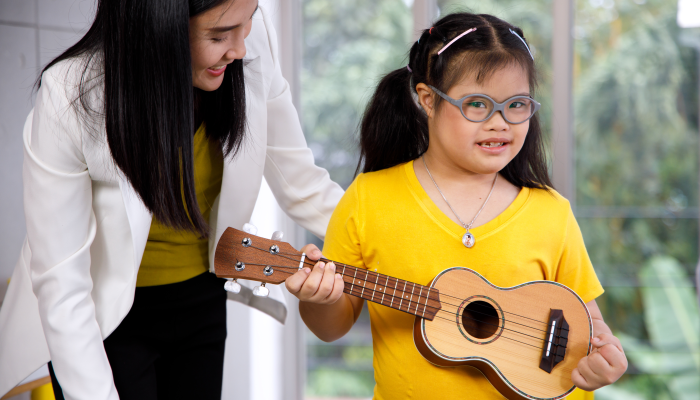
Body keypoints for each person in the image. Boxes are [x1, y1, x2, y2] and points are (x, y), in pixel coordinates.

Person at [0, 0, 340, 399]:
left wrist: (396, 233)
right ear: (159, 27)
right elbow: (63, 287)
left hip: (202, 299)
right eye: (218, 35)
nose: (241, 49)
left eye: (247, 23)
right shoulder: (72, 96)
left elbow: (302, 183)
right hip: (104, 319)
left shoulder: (245, 43)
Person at [286, 12, 627, 399]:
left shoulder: (551, 212)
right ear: (427, 99)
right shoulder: (368, 199)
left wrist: (603, 359)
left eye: (517, 105)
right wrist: (318, 300)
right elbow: (332, 328)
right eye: (477, 104)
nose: (500, 123)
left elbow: (589, 327)